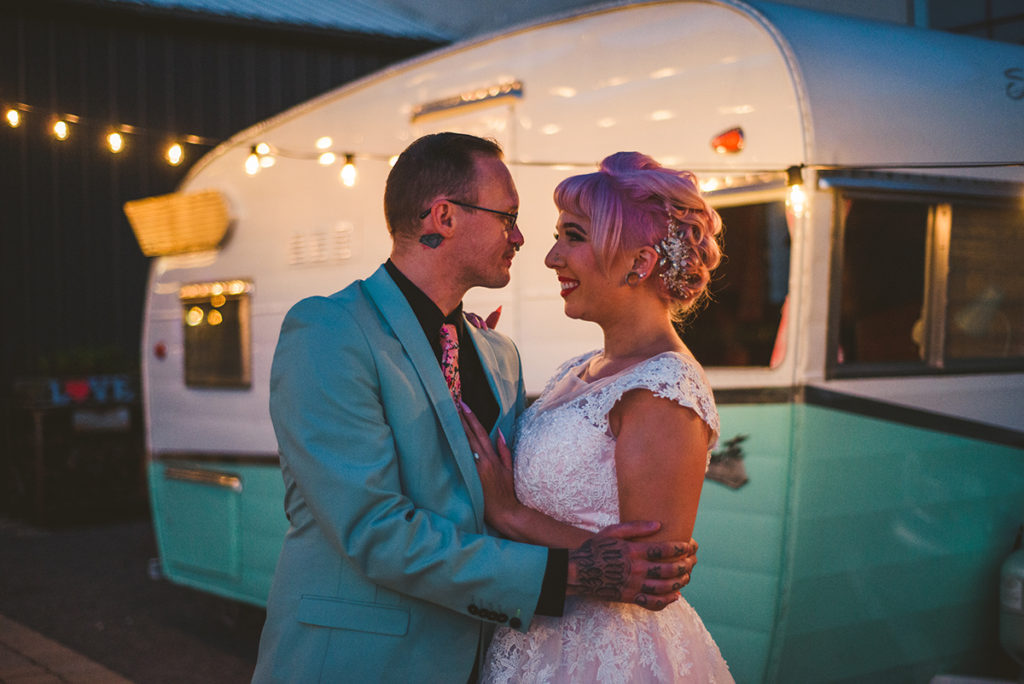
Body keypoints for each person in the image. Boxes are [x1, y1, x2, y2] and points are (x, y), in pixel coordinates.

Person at [251, 133, 699, 684]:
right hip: (360, 663)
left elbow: (503, 503)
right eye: (507, 217)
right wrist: (568, 572)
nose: (521, 238)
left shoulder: (499, 355)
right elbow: (372, 528)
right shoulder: (329, 331)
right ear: (443, 216)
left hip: (492, 660)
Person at [461, 152, 734, 682]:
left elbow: (652, 577)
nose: (550, 257)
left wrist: (510, 513)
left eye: (574, 236)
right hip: (531, 638)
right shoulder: (579, 370)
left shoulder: (664, 388)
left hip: (605, 656)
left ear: (639, 262)